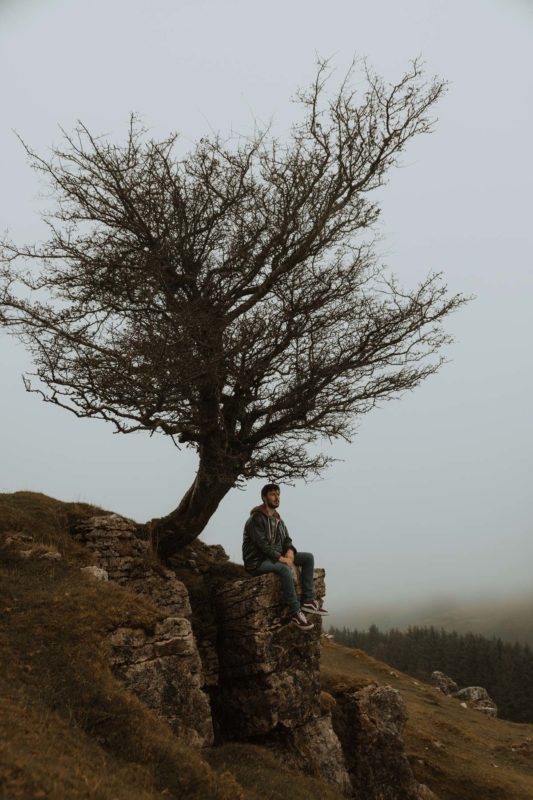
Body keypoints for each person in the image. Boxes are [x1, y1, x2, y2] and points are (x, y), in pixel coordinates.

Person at [242, 483, 328, 631]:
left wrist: (290, 551)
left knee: (308, 558)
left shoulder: (278, 520)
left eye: (278, 494)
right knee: (284, 569)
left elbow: (287, 540)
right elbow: (261, 544)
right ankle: (295, 613)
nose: (277, 497)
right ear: (264, 497)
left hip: (274, 557)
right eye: (272, 494)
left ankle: (308, 600)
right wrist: (281, 558)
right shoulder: (256, 519)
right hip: (257, 561)